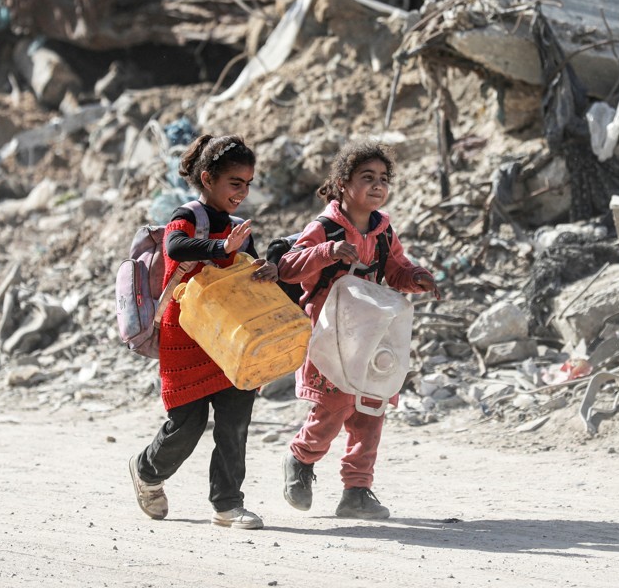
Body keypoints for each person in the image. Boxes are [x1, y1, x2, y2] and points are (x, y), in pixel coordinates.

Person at [278, 141, 438, 520]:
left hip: (372, 333)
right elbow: (287, 267)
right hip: (330, 335)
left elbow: (396, 269)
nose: (377, 185)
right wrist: (327, 252)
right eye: (367, 177)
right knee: (332, 407)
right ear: (343, 183)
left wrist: (417, 278)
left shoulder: (383, 231)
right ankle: (300, 457)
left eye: (383, 179)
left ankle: (357, 490)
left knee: (371, 408)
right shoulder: (324, 227)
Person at [129, 134, 278, 530]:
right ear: (209, 178)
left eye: (247, 183)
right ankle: (147, 470)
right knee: (188, 423)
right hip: (187, 335)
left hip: (229, 336)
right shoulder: (189, 215)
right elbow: (176, 247)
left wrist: (266, 269)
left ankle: (227, 504)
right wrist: (222, 249)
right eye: (235, 183)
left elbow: (245, 267)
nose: (242, 192)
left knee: (235, 421)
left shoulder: (236, 226)